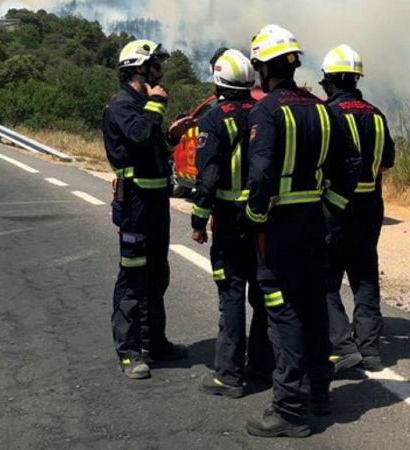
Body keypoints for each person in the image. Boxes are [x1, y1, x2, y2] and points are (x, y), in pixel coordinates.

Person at [244, 25, 361, 437]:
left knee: (283, 313)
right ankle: (320, 395)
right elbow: (352, 163)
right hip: (316, 223)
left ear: (264, 68)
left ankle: (289, 410)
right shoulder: (325, 109)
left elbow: (260, 175)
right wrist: (333, 205)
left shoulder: (266, 111)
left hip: (279, 228)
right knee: (314, 306)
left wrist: (255, 216)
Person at [190, 48, 274, 399]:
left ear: (218, 79)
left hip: (228, 219)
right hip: (262, 218)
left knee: (232, 293)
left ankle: (228, 375)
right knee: (262, 293)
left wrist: (198, 219)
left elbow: (207, 176)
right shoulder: (263, 112)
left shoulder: (214, 118)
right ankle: (262, 366)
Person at [103, 39, 188, 380]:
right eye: (155, 66)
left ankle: (155, 342)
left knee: (157, 273)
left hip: (155, 203)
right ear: (139, 68)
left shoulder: (141, 105)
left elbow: (151, 146)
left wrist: (172, 136)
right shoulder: (123, 105)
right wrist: (156, 104)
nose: (160, 72)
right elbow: (137, 135)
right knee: (133, 277)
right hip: (135, 204)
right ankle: (129, 351)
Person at [320, 45, 396, 373]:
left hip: (335, 209)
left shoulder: (329, 114)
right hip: (370, 208)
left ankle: (341, 345)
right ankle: (370, 349)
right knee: (365, 275)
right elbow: (388, 161)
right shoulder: (376, 115)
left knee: (325, 279)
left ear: (331, 80)